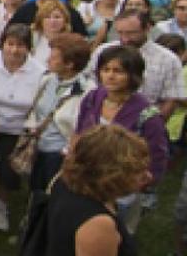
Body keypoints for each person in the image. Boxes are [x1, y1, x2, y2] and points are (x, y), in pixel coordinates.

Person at [76, 45, 168, 234]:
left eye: (118, 71)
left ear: (132, 75)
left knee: (114, 235)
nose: (110, 76)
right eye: (106, 70)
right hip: (86, 181)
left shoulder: (147, 114)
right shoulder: (93, 98)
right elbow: (78, 133)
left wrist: (132, 185)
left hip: (121, 189)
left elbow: (157, 158)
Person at [0, 24, 45, 232]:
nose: (14, 50)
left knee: (9, 171)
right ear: (2, 44)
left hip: (17, 127)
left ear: (29, 48)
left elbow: (38, 104)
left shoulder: (39, 72)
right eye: (10, 44)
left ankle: (1, 206)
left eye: (21, 45)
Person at [44, 124, 148, 256]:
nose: (148, 176)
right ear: (111, 174)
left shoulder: (63, 181)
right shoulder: (98, 223)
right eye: (137, 171)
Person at [86, 9, 184, 120]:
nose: (125, 39)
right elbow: (91, 83)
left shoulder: (168, 60)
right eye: (120, 33)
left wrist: (154, 125)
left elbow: (171, 98)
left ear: (147, 28)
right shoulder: (103, 51)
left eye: (131, 33)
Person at [26, 33, 93, 193]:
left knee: (54, 193)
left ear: (69, 64)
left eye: (54, 57)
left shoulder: (87, 91)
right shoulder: (47, 80)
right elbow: (35, 110)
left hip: (60, 155)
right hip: (38, 147)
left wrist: (68, 152)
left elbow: (84, 127)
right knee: (35, 190)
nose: (48, 59)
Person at [31, 0, 72, 71]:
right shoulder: (32, 39)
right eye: (47, 17)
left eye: (57, 17)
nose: (52, 21)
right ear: (40, 20)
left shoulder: (71, 43)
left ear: (65, 21)